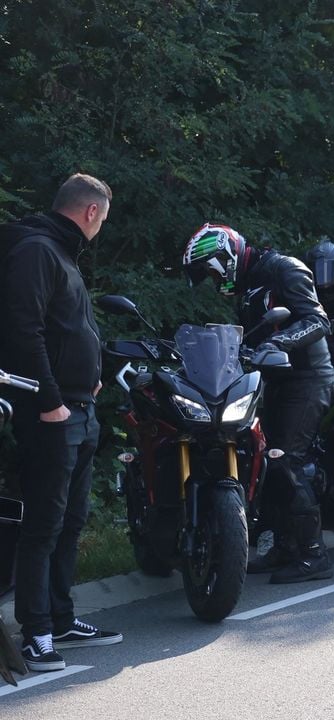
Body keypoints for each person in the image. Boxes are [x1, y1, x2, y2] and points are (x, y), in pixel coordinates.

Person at [0, 173, 121, 672]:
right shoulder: (37, 251)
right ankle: (37, 634)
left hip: (79, 408)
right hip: (49, 412)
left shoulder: (62, 252)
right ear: (91, 212)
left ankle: (62, 616)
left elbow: (68, 329)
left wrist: (90, 382)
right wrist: (51, 400)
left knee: (70, 522)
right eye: (104, 220)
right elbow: (20, 328)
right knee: (44, 525)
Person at [183, 223, 334, 584]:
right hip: (271, 379)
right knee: (263, 463)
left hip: (306, 378)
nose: (210, 278)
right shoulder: (249, 280)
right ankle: (284, 546)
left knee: (287, 461)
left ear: (225, 257)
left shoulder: (286, 268)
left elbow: (318, 320)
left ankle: (315, 556)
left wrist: (280, 343)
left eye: (209, 270)